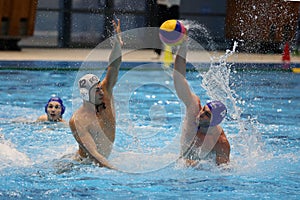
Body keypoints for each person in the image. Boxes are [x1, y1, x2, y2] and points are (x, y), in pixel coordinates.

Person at [69, 19, 123, 170]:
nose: (101, 92)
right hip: (82, 165)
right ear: (86, 95)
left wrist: (117, 45)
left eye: (100, 87)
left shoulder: (105, 92)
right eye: (96, 90)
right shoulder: (78, 120)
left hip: (103, 162)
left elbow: (114, 65)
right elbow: (94, 155)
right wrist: (119, 171)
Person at [173, 41, 230, 166]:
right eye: (203, 109)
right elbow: (178, 78)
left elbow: (222, 173)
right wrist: (182, 46)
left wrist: (196, 166)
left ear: (214, 122)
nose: (200, 114)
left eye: (207, 115)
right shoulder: (194, 111)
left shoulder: (220, 142)